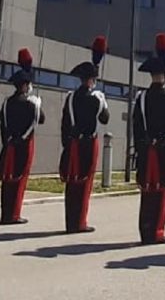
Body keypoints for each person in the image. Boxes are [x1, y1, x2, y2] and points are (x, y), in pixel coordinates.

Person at [133, 33, 165, 245]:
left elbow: (136, 125)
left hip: (146, 148)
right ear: (164, 76)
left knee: (146, 191)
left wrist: (139, 149)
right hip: (164, 148)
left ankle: (145, 231)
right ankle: (157, 231)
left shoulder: (142, 97)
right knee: (163, 189)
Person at [60, 36, 110, 233]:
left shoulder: (71, 97)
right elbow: (105, 119)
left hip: (72, 143)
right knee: (84, 182)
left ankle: (70, 221)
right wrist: (103, 102)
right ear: (92, 80)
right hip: (89, 143)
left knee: (72, 183)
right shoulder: (97, 98)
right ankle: (80, 222)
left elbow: (65, 123)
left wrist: (67, 144)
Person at [0, 48, 44, 224]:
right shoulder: (30, 104)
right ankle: (14, 214)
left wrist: (7, 141)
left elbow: (2, 123)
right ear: (24, 86)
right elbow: (41, 120)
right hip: (24, 144)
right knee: (19, 179)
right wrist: (38, 104)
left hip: (9, 144)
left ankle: (5, 213)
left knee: (7, 180)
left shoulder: (7, 102)